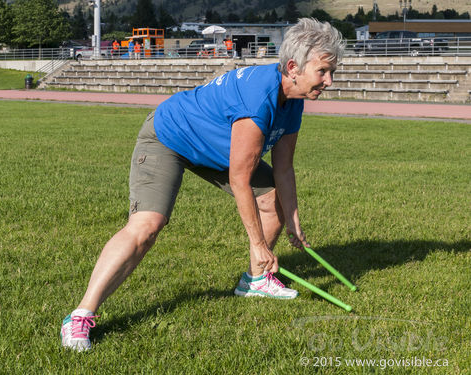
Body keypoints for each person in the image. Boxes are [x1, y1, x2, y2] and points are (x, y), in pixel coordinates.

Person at [60, 18, 344, 351]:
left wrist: (293, 218)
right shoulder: (259, 97)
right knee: (146, 227)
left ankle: (254, 281)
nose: (329, 80)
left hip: (216, 150)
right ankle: (80, 315)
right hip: (170, 137)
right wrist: (257, 243)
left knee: (275, 201)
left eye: (332, 72)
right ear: (294, 67)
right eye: (323, 71)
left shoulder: (294, 99)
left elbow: (283, 169)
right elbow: (240, 177)